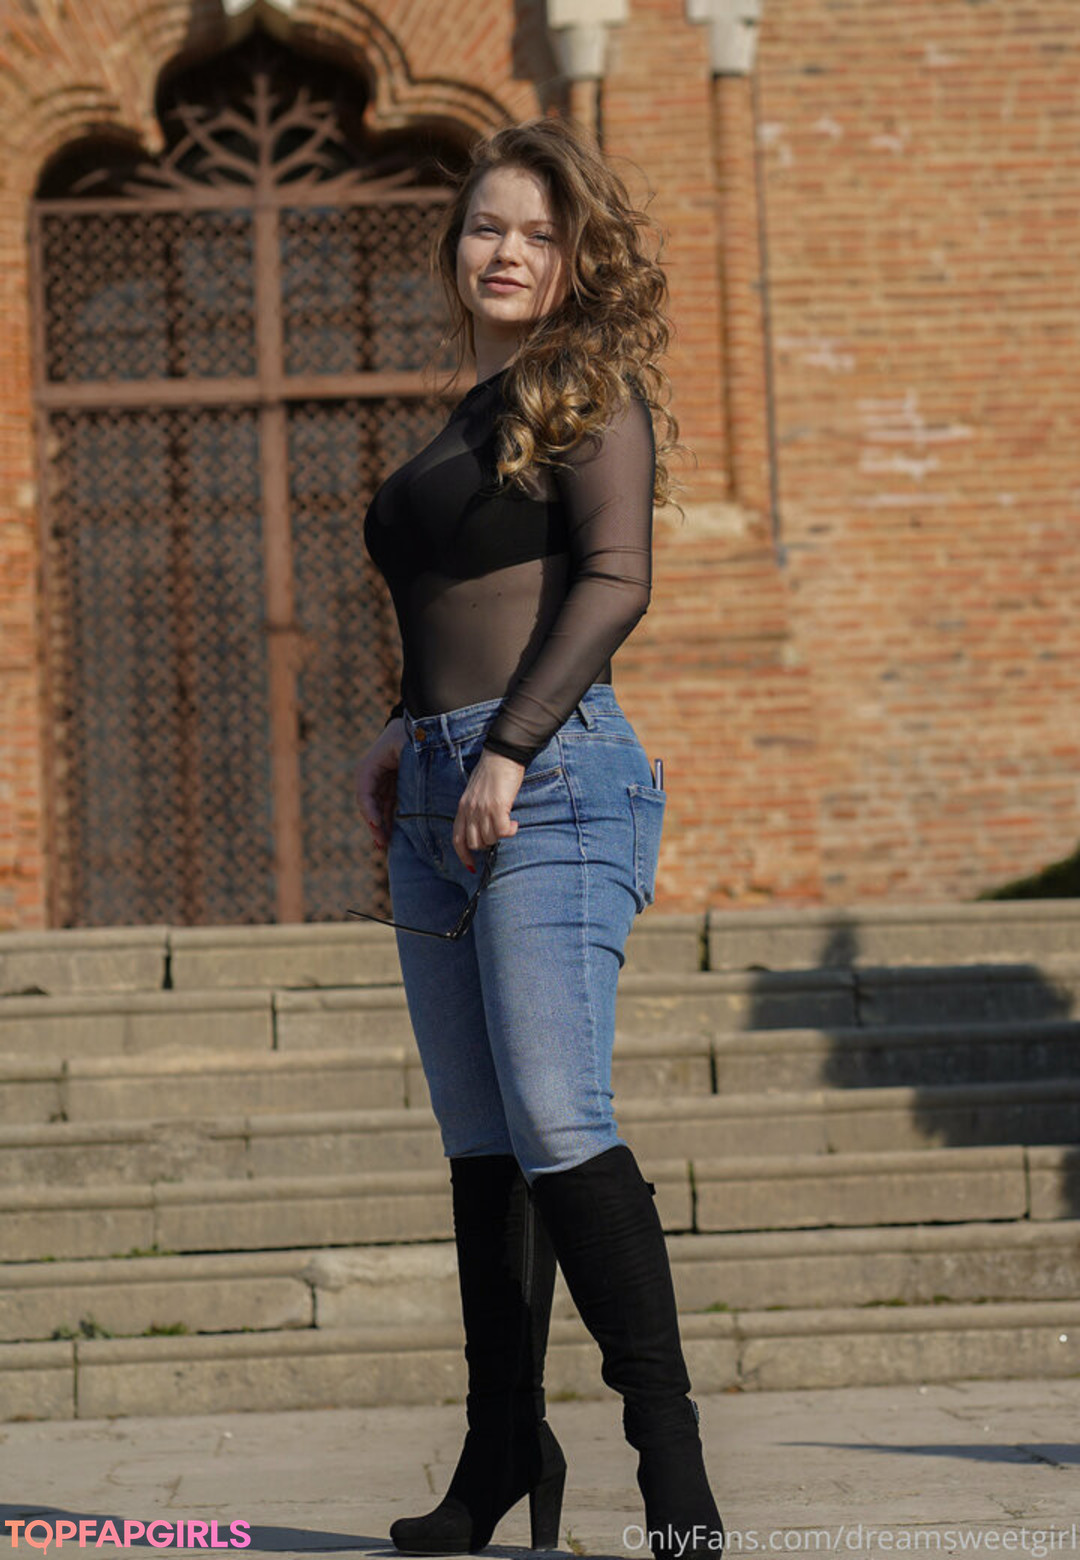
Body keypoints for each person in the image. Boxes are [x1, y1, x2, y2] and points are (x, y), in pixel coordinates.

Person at [354, 117, 724, 1559]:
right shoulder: (472, 405)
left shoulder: (589, 385)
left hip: (554, 781)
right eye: (485, 227)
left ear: (579, 256)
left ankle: (676, 1479)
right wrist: (406, 724)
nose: (504, 252)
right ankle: (503, 1445)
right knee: (482, 1143)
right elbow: (452, 599)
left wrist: (505, 745)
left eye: (537, 233)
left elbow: (617, 580)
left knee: (560, 1120)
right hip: (439, 792)